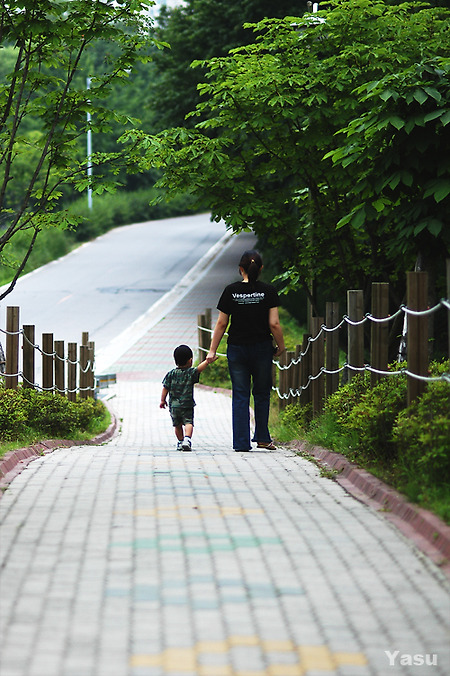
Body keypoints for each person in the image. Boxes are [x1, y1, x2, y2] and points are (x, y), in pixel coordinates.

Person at [206, 250, 285, 452]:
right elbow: (274, 324)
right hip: (262, 349)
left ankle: (241, 443)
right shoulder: (268, 291)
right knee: (261, 393)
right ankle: (262, 438)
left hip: (237, 349)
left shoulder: (230, 291)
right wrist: (281, 347)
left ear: (240, 269)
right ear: (261, 268)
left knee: (240, 394)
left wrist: (212, 351)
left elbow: (222, 323)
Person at [160, 344, 216, 451]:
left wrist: (162, 400)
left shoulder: (171, 374)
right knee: (188, 422)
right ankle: (187, 439)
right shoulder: (190, 373)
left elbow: (165, 388)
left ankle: (180, 441)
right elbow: (199, 369)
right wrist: (207, 361)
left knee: (177, 425)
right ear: (190, 361)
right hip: (187, 404)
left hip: (174, 406)